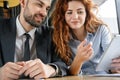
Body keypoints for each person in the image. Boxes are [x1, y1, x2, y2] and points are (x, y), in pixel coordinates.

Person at [0, 0, 68, 80]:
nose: (44, 13)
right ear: (23, 2)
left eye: (47, 9)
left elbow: (63, 65)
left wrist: (50, 69)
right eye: (39, 5)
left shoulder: (51, 34)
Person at [51, 0, 112, 75]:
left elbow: (111, 61)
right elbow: (69, 73)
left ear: (87, 13)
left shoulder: (101, 30)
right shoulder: (59, 37)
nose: (75, 17)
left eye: (80, 12)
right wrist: (78, 60)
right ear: (63, 16)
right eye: (69, 12)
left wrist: (116, 66)